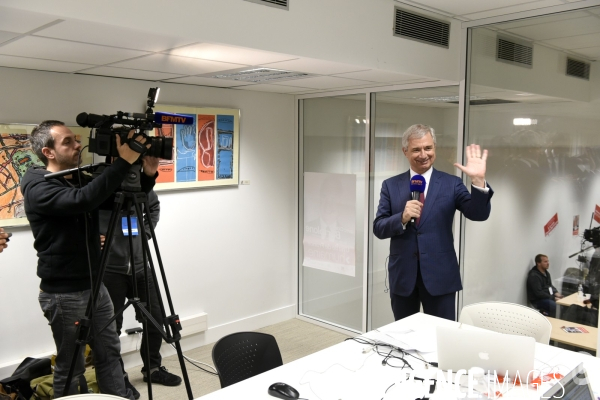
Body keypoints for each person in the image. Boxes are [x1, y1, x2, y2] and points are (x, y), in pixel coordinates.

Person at [21, 120, 158, 398]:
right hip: (65, 293)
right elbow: (82, 200)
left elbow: (119, 197)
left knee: (109, 353)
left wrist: (147, 174)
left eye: (76, 139)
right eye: (68, 141)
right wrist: (122, 160)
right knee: (72, 365)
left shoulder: (78, 177)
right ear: (48, 152)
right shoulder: (37, 186)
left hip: (96, 285)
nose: (77, 145)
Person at [373, 124, 493, 321]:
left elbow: (478, 214)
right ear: (405, 151)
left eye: (428, 148)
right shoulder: (391, 185)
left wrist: (479, 182)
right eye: (416, 149)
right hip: (403, 277)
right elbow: (378, 227)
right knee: (404, 335)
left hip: (441, 277)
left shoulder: (451, 184)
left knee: (441, 336)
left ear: (434, 148)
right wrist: (401, 218)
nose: (423, 154)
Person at [100, 189, 182, 396]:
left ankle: (153, 368)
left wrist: (145, 232)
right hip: (111, 270)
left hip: (141, 267)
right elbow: (81, 215)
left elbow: (153, 206)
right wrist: (93, 237)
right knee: (111, 328)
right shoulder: (101, 185)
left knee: (156, 318)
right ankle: (119, 378)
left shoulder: (139, 184)